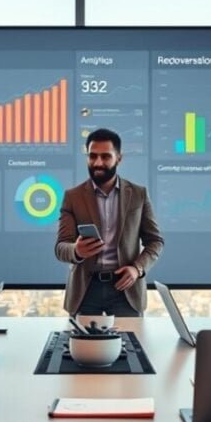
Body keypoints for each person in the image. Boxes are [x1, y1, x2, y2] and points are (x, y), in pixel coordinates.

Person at [55, 128, 164, 316]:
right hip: (85, 291)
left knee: (131, 344)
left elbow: (155, 242)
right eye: (92, 156)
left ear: (118, 158)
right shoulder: (72, 197)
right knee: (83, 346)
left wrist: (137, 269)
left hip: (126, 290)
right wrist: (76, 251)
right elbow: (60, 247)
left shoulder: (138, 194)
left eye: (105, 157)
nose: (98, 163)